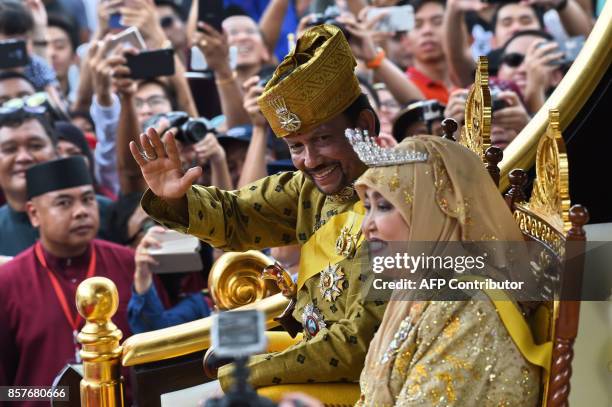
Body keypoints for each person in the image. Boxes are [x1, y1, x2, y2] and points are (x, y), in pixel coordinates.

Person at [130, 24, 387, 392]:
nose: (310, 161)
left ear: (363, 125)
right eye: (295, 147)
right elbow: (236, 215)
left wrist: (246, 374)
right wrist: (175, 198)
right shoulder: (306, 188)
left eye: (323, 139)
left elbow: (359, 346)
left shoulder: (400, 202)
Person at [352, 135, 539, 405]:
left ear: (433, 212)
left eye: (383, 206)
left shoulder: (468, 307)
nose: (366, 226)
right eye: (367, 207)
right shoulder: (416, 288)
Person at [0, 156, 134, 392]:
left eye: (88, 199)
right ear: (34, 214)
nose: (81, 211)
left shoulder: (128, 263)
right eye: (64, 203)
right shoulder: (7, 282)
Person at [0, 109, 112, 256]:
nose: (23, 157)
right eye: (9, 149)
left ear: (56, 152)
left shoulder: (104, 212)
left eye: (35, 146)